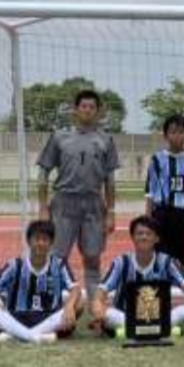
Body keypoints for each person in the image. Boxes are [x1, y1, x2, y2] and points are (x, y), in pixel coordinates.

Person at [37, 89, 120, 300]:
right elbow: (43, 170)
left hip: (94, 204)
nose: (87, 110)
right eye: (83, 106)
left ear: (98, 111)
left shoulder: (106, 139)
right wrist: (42, 206)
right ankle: (54, 302)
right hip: (64, 202)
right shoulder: (59, 136)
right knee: (57, 257)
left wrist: (110, 211)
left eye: (92, 107)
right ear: (75, 109)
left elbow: (110, 180)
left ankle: (95, 308)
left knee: (92, 258)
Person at [91, 215, 184, 336]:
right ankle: (161, 330)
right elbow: (101, 290)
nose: (144, 237)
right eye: (139, 233)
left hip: (160, 316)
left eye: (148, 234)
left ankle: (133, 330)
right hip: (125, 315)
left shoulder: (167, 262)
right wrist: (98, 307)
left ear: (157, 238)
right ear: (133, 237)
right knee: (107, 313)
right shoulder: (121, 262)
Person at [0, 220, 82, 343]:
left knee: (79, 303)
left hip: (48, 317)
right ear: (29, 241)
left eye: (45, 240)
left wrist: (70, 306)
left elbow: (75, 288)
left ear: (51, 243)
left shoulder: (59, 264)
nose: (40, 243)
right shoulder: (15, 265)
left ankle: (16, 335)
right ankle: (36, 337)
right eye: (37, 239)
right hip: (17, 316)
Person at [145, 113, 184, 275]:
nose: (177, 135)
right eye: (172, 131)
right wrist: (148, 221)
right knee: (161, 260)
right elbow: (150, 193)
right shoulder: (157, 160)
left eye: (181, 132)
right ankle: (165, 297)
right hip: (162, 215)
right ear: (165, 135)